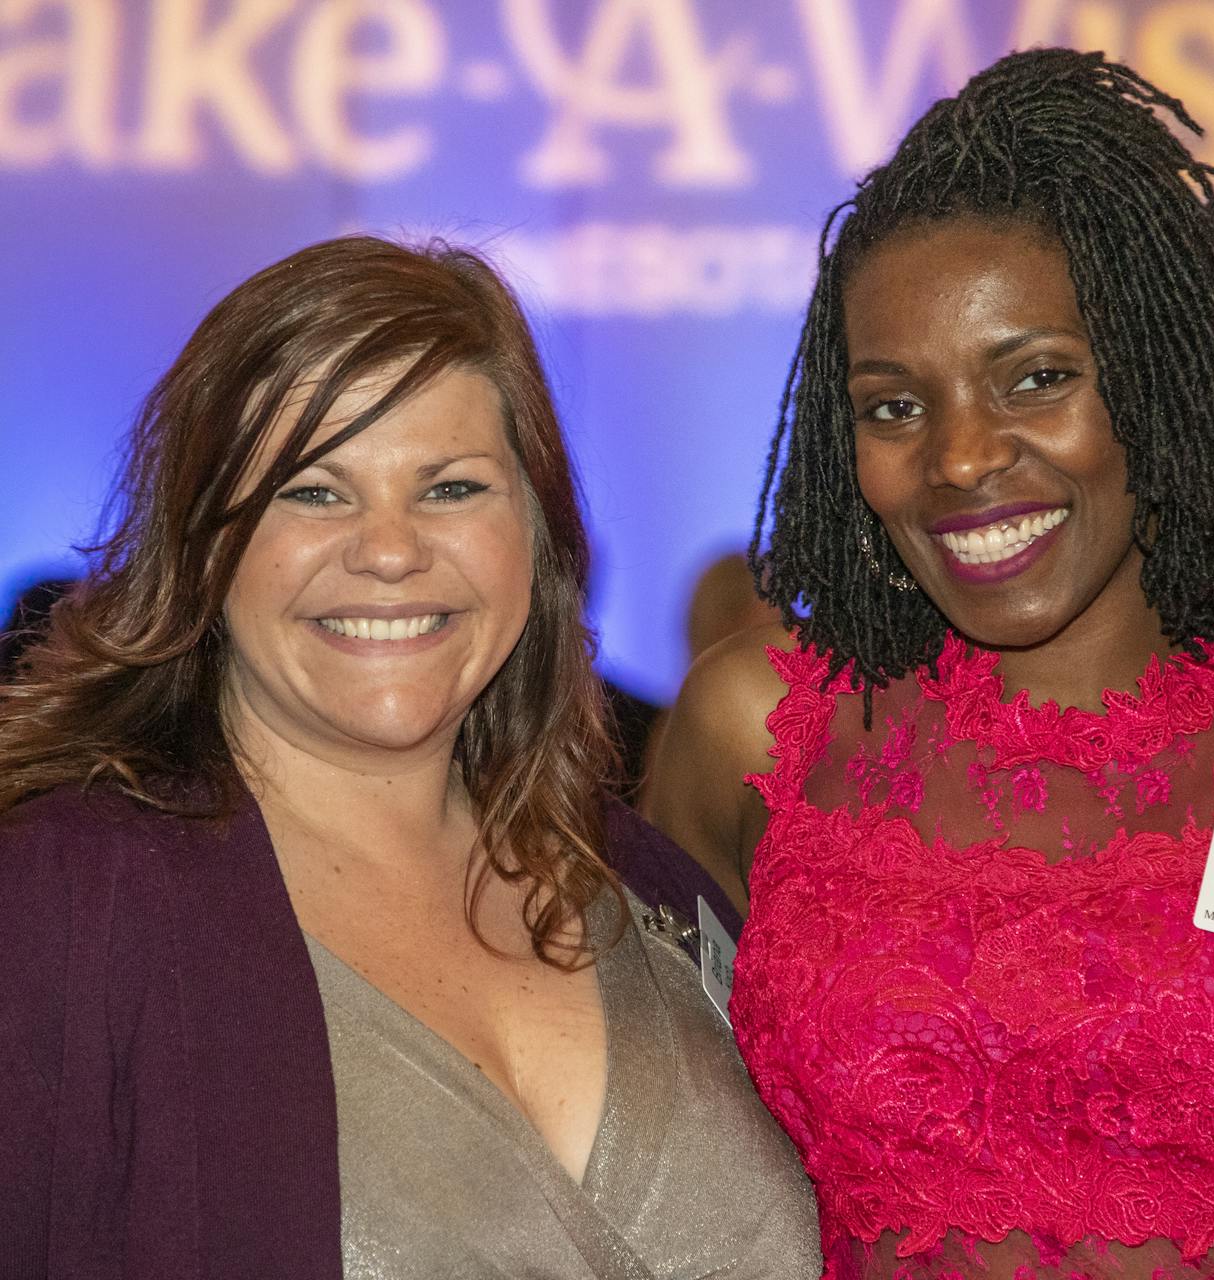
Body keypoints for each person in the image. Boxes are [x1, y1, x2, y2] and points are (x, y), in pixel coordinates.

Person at [643, 49, 1214, 1280]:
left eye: (1037, 378)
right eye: (893, 406)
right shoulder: (760, 732)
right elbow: (644, 1161)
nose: (958, 457)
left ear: (1156, 386)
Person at [0, 236, 819, 1278]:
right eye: (312, 490)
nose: (388, 549)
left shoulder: (646, 886)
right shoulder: (61, 903)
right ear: (203, 545)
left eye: (449, 488)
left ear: (538, 533)